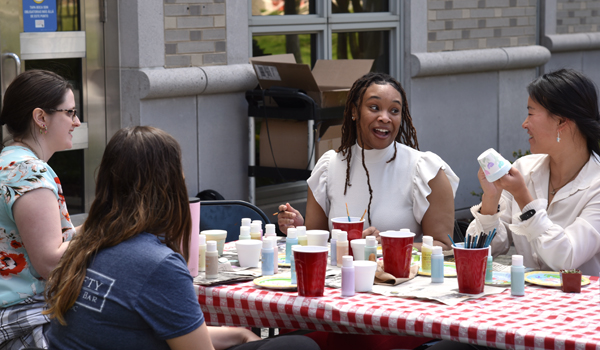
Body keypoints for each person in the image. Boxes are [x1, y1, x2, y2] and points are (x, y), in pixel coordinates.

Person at [44, 126, 319, 350]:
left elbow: (171, 333)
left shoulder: (87, 243)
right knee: (298, 346)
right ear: (169, 186)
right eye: (179, 171)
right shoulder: (156, 264)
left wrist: (238, 334)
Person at [278, 72, 459, 249]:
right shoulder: (328, 167)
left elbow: (443, 245)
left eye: (394, 110)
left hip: (402, 278)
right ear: (355, 112)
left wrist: (386, 245)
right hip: (341, 277)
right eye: (374, 107)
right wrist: (298, 228)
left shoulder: (426, 171)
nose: (385, 118)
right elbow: (317, 244)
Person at [467, 68, 600, 276]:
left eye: (530, 113)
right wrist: (490, 200)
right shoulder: (524, 169)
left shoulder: (596, 184)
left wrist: (524, 199)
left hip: (582, 305)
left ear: (561, 121)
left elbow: (566, 259)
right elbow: (479, 249)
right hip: (526, 300)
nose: (524, 124)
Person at [0, 69, 80, 349]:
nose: (77, 121)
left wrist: (101, 224)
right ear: (41, 118)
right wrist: (105, 230)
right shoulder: (29, 171)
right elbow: (50, 262)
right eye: (70, 112)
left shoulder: (9, 161)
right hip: (22, 320)